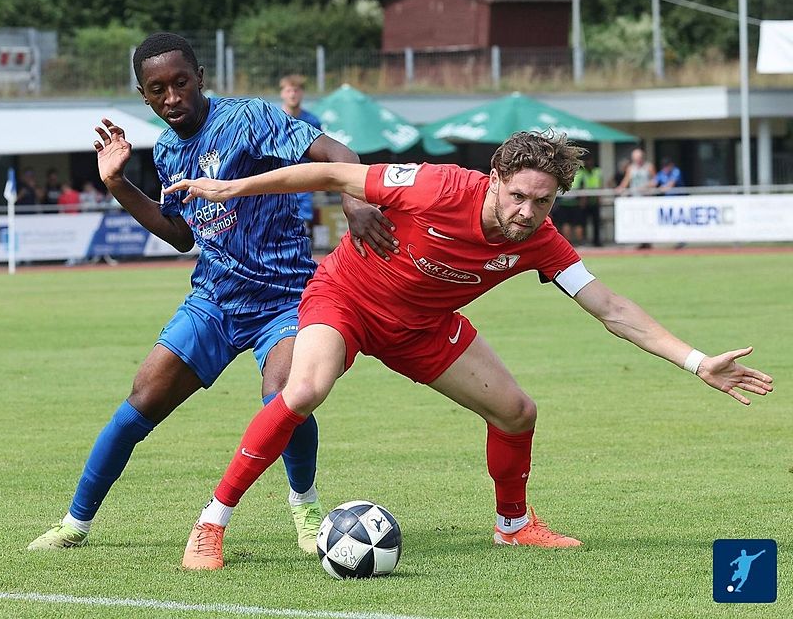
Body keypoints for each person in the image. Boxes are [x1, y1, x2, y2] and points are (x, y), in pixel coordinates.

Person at [164, 130, 774, 570]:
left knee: (517, 412)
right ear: (494, 179)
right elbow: (328, 174)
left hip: (423, 327)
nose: (527, 212)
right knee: (305, 388)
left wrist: (697, 362)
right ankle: (212, 523)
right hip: (347, 298)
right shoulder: (433, 187)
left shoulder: (540, 240)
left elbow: (610, 308)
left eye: (543, 202)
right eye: (518, 196)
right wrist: (232, 187)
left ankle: (513, 526)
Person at [27, 32, 395, 552]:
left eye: (180, 83)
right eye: (157, 90)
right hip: (215, 300)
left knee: (286, 394)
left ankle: (307, 510)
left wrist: (356, 203)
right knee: (142, 397)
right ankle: (75, 524)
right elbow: (181, 234)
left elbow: (336, 152)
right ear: (143, 96)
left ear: (200, 77)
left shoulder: (247, 118)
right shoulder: (169, 151)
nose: (172, 98)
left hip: (286, 296)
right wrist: (117, 184)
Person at [280, 74, 321, 239]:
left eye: (296, 90)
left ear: (302, 93)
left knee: (301, 232)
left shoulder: (312, 121)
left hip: (304, 183)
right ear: (282, 93)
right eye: (289, 90)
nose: (292, 94)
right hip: (277, 182)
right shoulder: (273, 118)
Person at [615, 148, 656, 249]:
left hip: (646, 198)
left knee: (648, 220)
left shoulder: (649, 166)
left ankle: (647, 242)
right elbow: (626, 180)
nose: (637, 160)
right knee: (638, 220)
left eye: (639, 158)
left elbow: (655, 180)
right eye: (635, 158)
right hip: (635, 199)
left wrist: (646, 186)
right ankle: (641, 241)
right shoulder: (631, 168)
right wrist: (620, 188)